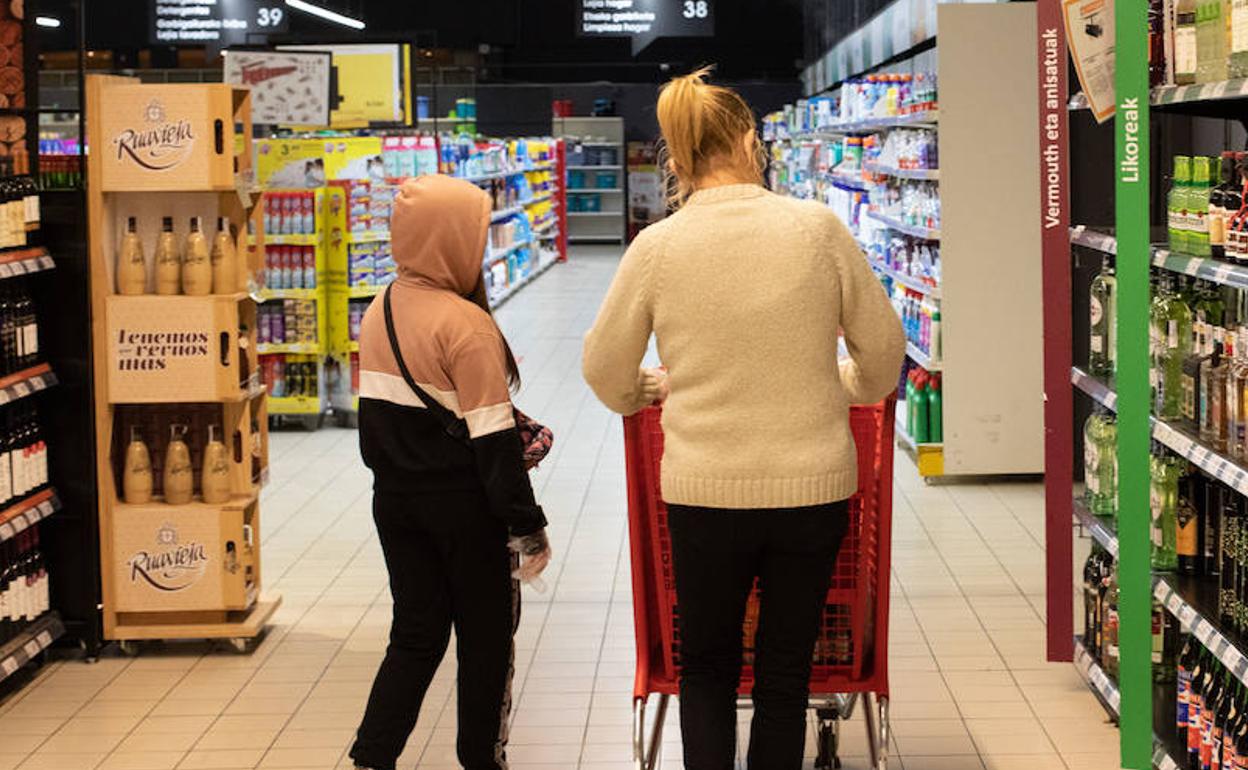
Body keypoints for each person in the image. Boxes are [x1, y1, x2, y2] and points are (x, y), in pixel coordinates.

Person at [582, 67, 904, 770]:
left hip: (704, 492)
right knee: (786, 673)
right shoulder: (816, 229)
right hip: (812, 490)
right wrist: (841, 382)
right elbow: (883, 356)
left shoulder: (657, 247)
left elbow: (605, 372)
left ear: (678, 155)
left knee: (706, 667)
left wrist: (652, 388)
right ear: (750, 140)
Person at [349, 174, 552, 770]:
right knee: (485, 644)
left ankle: (373, 756)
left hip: (394, 502)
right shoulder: (465, 325)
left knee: (415, 634)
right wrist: (527, 526)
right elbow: (493, 446)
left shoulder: (381, 306)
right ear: (450, 239)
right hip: (463, 509)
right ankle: (479, 760)